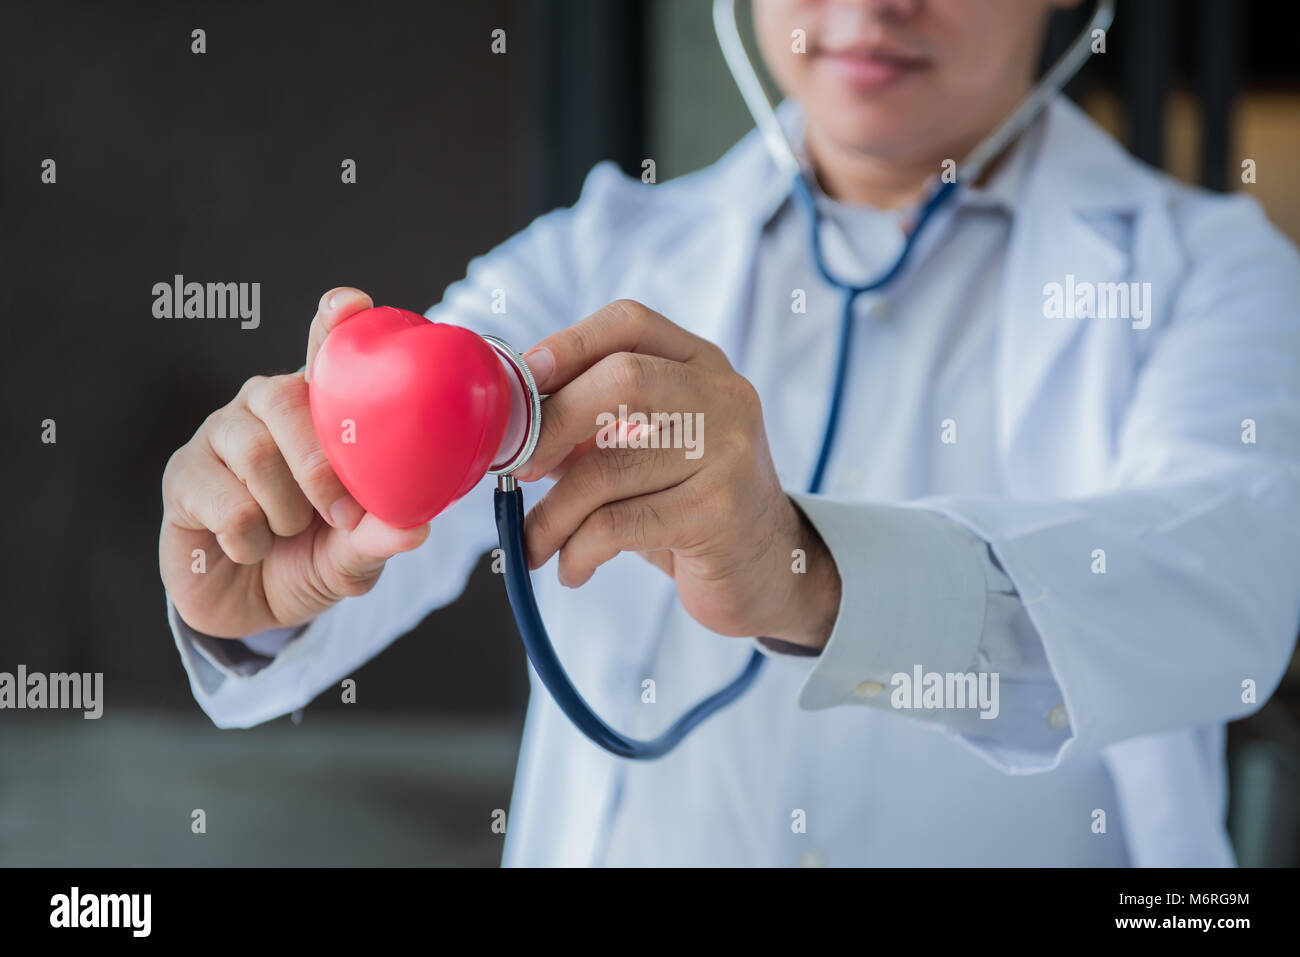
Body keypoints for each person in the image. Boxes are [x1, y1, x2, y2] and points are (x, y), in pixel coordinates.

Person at [158, 0, 1300, 866]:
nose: (872, 5)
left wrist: (805, 573)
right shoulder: (593, 253)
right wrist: (268, 543)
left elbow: (1224, 592)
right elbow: (413, 450)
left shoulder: (1214, 271)